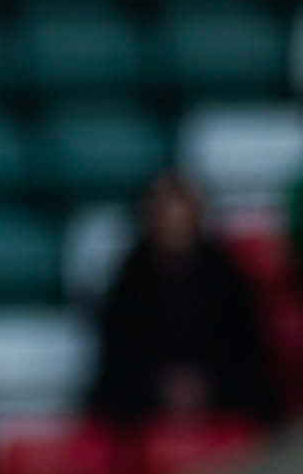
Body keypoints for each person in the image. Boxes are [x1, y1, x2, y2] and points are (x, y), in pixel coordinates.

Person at [89, 171, 279, 427]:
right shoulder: (130, 278)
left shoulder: (225, 275)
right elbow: (118, 351)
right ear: (149, 218)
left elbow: (244, 347)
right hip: (146, 395)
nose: (175, 226)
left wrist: (204, 385)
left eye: (182, 217)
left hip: (218, 391)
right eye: (166, 217)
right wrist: (162, 385)